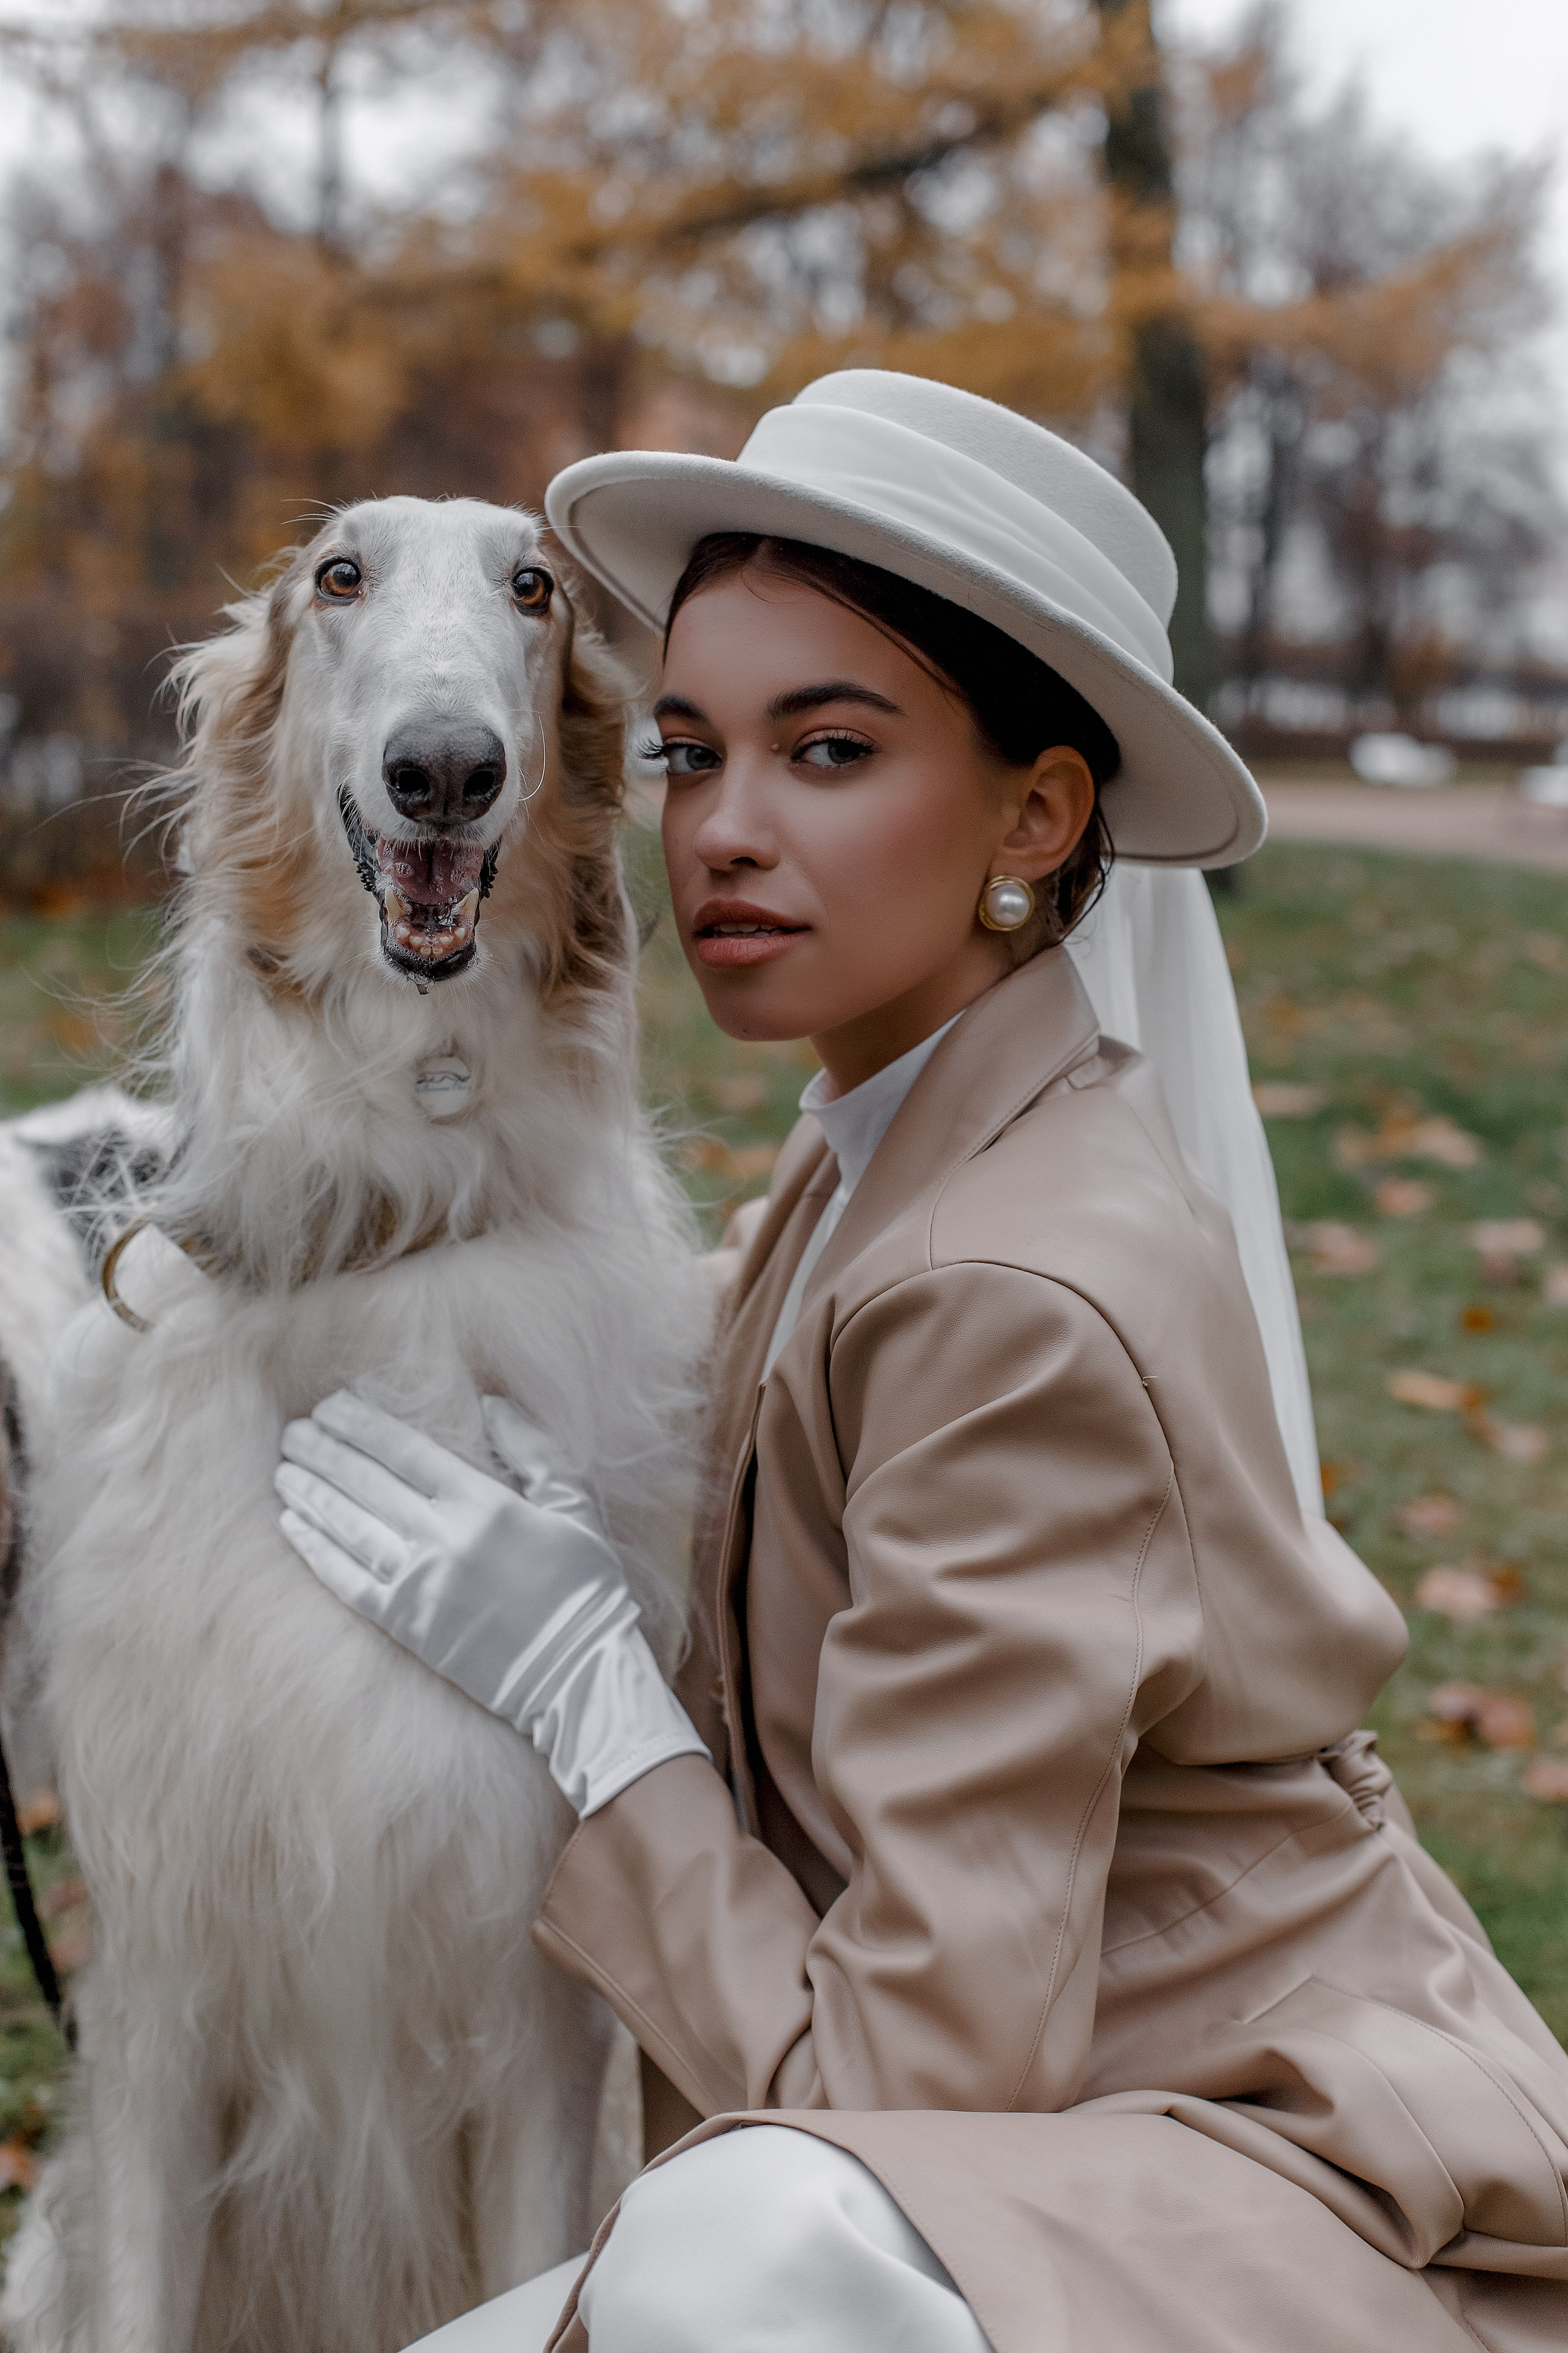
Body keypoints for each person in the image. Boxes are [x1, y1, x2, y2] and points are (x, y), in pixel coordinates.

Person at [274, 372, 1568, 2353]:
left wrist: (593, 1707)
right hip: (1058, 2122)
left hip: (1270, 2175)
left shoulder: (1013, 1290)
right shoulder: (884, 1132)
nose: (728, 830)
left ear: (1037, 817)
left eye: (832, 748)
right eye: (695, 752)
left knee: (730, 2260)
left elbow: (904, 2080)